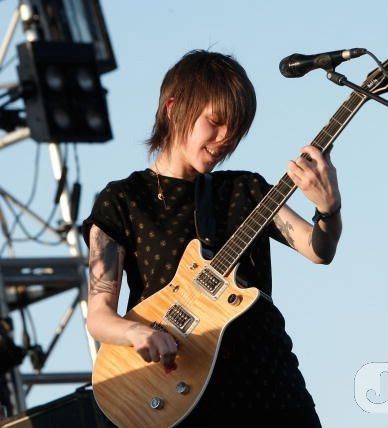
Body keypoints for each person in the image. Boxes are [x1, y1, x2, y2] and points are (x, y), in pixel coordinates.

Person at [82, 50, 342, 426]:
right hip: (182, 392)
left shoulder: (247, 191)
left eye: (235, 130)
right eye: (215, 122)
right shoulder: (123, 199)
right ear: (173, 109)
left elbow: (320, 250)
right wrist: (136, 332)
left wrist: (328, 208)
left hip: (269, 385)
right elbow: (99, 315)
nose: (224, 139)